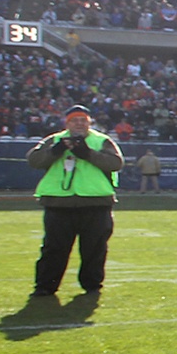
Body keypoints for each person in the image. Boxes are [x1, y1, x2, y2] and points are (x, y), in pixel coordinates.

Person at [27, 104, 123, 299]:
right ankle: (45, 286)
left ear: (89, 123)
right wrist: (56, 151)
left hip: (96, 203)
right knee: (54, 249)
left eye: (83, 120)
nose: (79, 124)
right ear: (67, 123)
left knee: (94, 249)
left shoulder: (101, 141)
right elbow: (34, 160)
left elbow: (115, 163)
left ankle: (92, 285)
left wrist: (87, 154)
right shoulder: (54, 140)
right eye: (74, 120)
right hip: (59, 204)